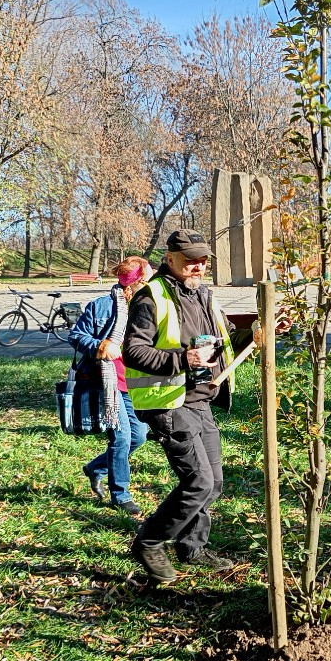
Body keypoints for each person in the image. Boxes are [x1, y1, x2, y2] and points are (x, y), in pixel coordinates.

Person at [123, 229, 262, 583]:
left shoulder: (204, 295)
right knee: (198, 480)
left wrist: (257, 334)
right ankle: (149, 541)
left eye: (202, 261)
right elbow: (133, 352)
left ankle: (192, 548)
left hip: (201, 398)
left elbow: (226, 338)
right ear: (170, 259)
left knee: (213, 482)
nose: (198, 266)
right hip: (168, 401)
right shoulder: (150, 297)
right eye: (190, 261)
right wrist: (183, 359)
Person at [69, 257, 152, 516]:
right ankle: (121, 495)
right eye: (147, 280)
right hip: (108, 383)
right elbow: (77, 336)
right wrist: (102, 346)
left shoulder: (149, 307)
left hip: (136, 383)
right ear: (135, 283)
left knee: (138, 436)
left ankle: (96, 468)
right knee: (122, 437)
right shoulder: (102, 306)